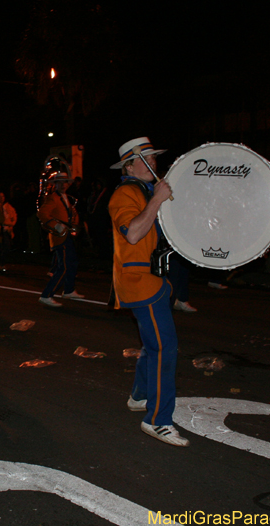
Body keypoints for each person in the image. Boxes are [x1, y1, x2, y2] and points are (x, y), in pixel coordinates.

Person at [107, 137, 188, 447]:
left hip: (154, 280)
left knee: (153, 344)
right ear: (128, 167)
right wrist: (157, 200)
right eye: (145, 159)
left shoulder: (144, 191)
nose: (153, 163)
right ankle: (157, 420)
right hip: (140, 281)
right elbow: (133, 233)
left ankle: (140, 395)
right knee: (164, 347)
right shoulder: (125, 193)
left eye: (154, 158)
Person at [37, 169, 83, 307]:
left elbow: (71, 215)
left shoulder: (66, 197)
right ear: (55, 184)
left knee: (72, 263)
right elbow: (42, 213)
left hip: (67, 235)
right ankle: (46, 295)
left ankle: (69, 290)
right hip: (59, 236)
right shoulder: (53, 198)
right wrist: (56, 225)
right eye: (60, 182)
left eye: (65, 182)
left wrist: (74, 223)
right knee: (63, 266)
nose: (63, 185)